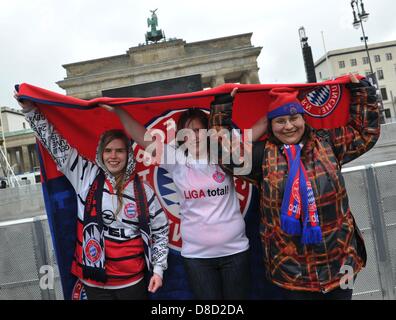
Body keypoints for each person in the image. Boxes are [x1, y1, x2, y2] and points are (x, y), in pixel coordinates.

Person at [209, 74, 380, 300]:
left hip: (341, 265)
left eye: (294, 118)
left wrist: (362, 92)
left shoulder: (328, 143)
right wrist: (222, 107)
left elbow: (364, 133)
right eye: (280, 121)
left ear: (303, 119)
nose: (288, 126)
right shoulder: (261, 157)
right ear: (271, 124)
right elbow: (222, 153)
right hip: (292, 274)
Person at [99, 103, 268, 300]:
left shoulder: (226, 153)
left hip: (236, 252)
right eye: (187, 132)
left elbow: (262, 124)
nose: (194, 136)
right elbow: (140, 136)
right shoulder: (175, 159)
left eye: (198, 130)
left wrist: (287, 99)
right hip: (198, 258)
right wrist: (119, 110)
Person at [14, 94, 169, 300]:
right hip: (94, 283)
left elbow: (160, 231)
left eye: (119, 151)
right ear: (101, 153)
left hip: (133, 283)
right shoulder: (85, 175)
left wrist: (158, 270)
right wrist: (30, 111)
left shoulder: (143, 190)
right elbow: (56, 146)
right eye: (108, 151)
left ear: (128, 154)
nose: (113, 156)